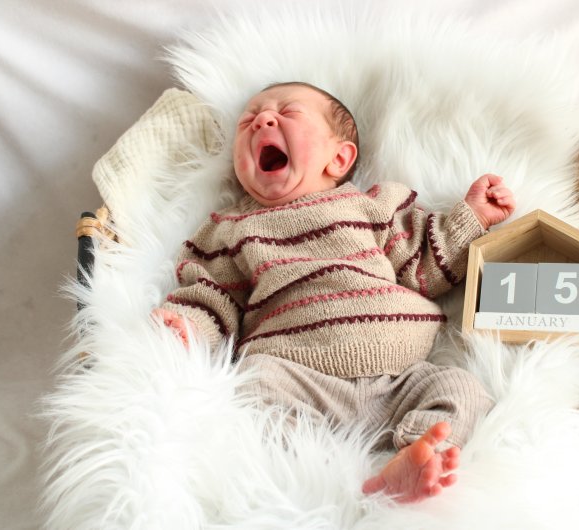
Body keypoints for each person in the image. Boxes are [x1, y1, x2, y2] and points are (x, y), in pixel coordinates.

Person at [153, 81, 516, 503]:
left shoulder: (371, 207)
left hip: (398, 378)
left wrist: (473, 216)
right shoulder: (230, 230)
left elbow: (424, 267)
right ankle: (324, 482)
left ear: (339, 158)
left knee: (464, 389)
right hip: (297, 376)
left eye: (287, 113)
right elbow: (212, 297)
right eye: (247, 121)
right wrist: (188, 328)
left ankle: (419, 455)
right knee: (252, 387)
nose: (262, 121)